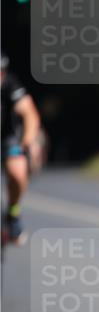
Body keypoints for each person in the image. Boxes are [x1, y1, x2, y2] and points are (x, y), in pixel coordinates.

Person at [1, 53, 42, 242]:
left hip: (8, 138)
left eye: (1, 72)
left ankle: (13, 213)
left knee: (17, 171)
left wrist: (27, 143)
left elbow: (30, 115)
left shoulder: (10, 84)